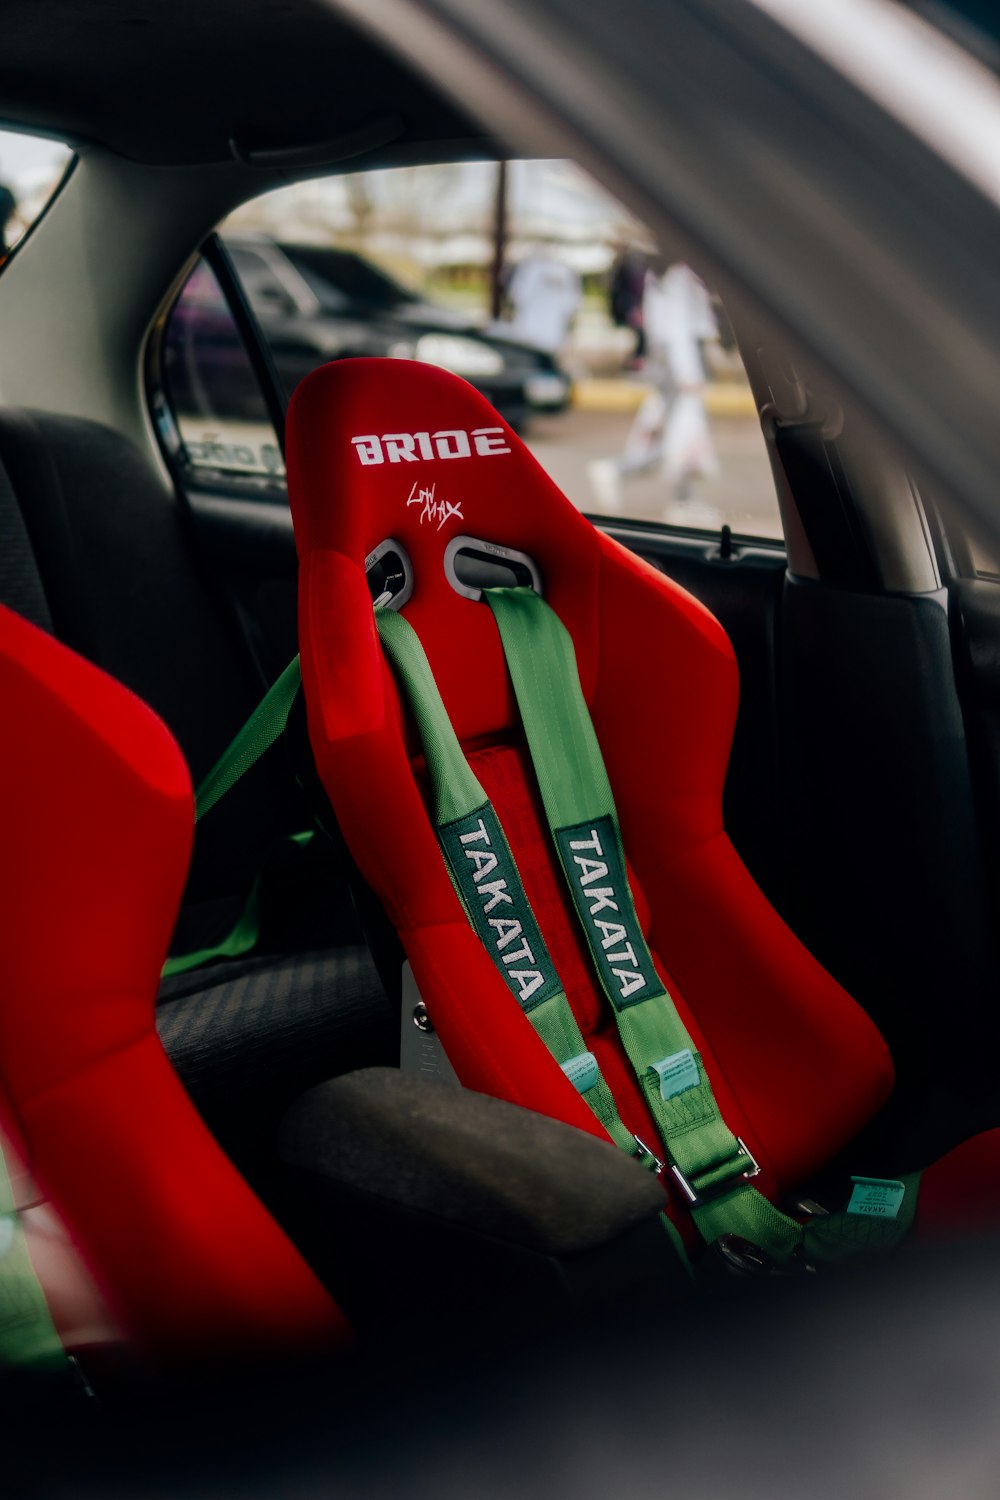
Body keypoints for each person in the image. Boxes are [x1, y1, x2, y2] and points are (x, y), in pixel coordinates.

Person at [589, 261, 721, 520]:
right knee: (679, 434)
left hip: (671, 363)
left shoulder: (663, 275)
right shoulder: (679, 276)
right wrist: (688, 372)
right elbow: (677, 328)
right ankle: (620, 472)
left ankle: (679, 500)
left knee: (675, 434)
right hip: (679, 365)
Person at [505, 246, 582, 354]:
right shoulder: (566, 271)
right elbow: (572, 305)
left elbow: (517, 296)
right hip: (549, 335)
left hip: (531, 333)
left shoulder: (530, 267)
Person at [608, 245, 647, 363]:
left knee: (641, 333)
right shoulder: (628, 268)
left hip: (636, 304)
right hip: (634, 304)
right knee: (640, 333)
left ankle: (639, 358)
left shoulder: (630, 268)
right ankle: (639, 358)